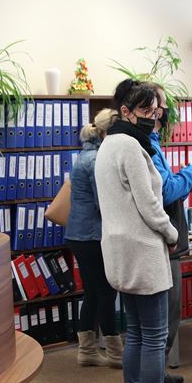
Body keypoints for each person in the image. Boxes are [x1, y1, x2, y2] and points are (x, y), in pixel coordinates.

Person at [94, 81, 192, 383]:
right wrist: (172, 234)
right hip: (143, 250)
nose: (153, 118)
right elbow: (150, 204)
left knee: (135, 333)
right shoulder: (133, 149)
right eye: (146, 112)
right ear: (126, 111)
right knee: (153, 337)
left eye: (156, 112)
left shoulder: (108, 144)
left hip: (118, 250)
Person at [148, 82, 192, 383]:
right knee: (164, 319)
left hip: (169, 242)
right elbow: (166, 192)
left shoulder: (151, 143)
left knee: (166, 318)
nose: (164, 112)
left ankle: (158, 376)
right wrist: (191, 174)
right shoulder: (148, 148)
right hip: (164, 246)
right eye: (161, 106)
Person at [65, 108, 123, 368]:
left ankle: (86, 350)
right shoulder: (97, 159)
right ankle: (116, 354)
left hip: (78, 234)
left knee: (91, 292)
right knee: (106, 291)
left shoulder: (84, 155)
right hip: (92, 234)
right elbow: (104, 202)